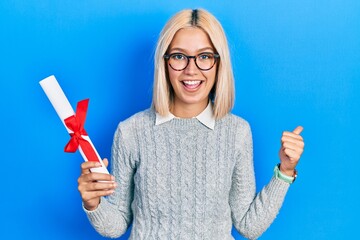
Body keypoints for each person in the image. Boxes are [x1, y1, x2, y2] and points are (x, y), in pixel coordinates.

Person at [77, 9, 305, 240]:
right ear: (164, 63)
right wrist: (93, 202)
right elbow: (116, 225)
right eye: (179, 56)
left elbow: (249, 225)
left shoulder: (237, 132)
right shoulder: (131, 132)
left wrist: (285, 171)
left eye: (204, 56)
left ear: (218, 64)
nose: (191, 69)